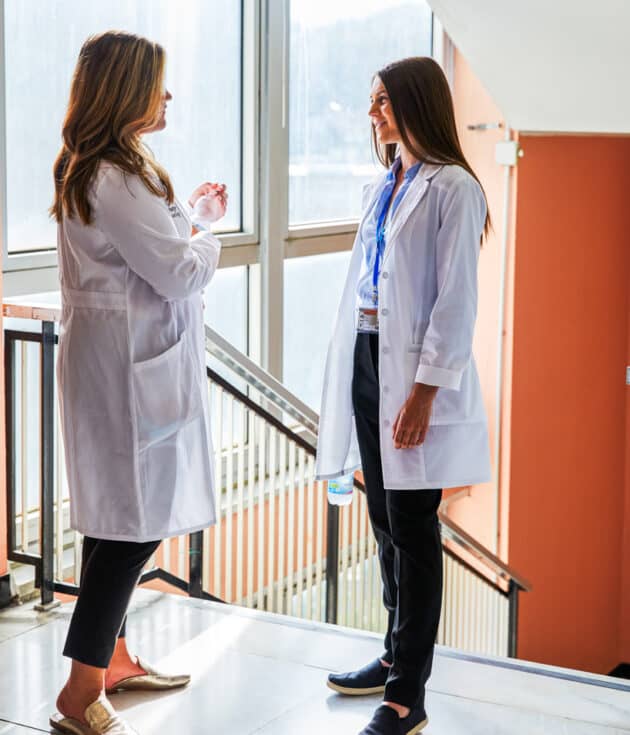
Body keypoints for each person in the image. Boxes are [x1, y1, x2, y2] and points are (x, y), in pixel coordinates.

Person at [49, 31, 227, 735]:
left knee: (113, 515)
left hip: (118, 360)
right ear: (126, 91)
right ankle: (79, 687)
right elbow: (177, 269)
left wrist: (191, 218)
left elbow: (147, 242)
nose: (169, 95)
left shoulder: (102, 167)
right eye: (158, 83)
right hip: (121, 369)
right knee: (132, 525)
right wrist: (208, 234)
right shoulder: (113, 176)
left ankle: (114, 658)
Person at [315, 56, 492, 735]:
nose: (373, 114)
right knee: (385, 519)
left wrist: (422, 392)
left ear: (417, 102)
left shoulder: (454, 188)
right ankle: (392, 656)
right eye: (372, 102)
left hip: (414, 372)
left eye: (383, 101)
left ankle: (407, 695)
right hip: (369, 358)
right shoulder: (384, 184)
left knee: (415, 529)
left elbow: (455, 303)